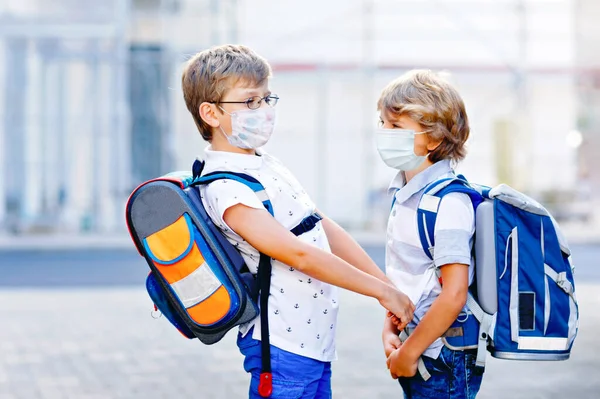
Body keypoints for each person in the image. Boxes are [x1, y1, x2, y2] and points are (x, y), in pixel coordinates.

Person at [181, 44, 415, 399]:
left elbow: (321, 227)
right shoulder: (226, 188)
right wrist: (381, 292)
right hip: (283, 350)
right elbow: (299, 254)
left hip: (314, 344)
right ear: (210, 113)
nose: (262, 111)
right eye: (249, 102)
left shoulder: (265, 164)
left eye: (265, 99)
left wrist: (388, 289)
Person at [377, 70, 484, 398]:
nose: (383, 133)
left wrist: (410, 353)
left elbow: (454, 293)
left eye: (395, 126)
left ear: (434, 139)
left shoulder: (449, 202)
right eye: (382, 123)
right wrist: (390, 329)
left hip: (444, 353)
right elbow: (408, 272)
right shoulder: (405, 193)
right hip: (416, 341)